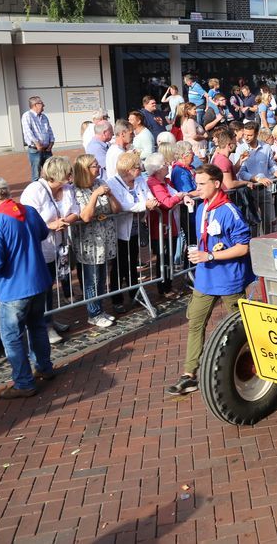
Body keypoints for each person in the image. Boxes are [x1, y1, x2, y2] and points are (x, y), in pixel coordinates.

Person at [166, 163, 254, 396]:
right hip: (206, 277)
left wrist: (211, 255)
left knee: (241, 326)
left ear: (216, 184)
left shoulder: (230, 211)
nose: (198, 188)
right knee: (195, 321)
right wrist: (200, 255)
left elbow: (243, 248)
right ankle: (189, 375)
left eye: (202, 184)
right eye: (196, 183)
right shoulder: (202, 206)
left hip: (228, 278)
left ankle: (253, 362)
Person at [0, 174, 56, 399]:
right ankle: (44, 367)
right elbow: (43, 233)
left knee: (12, 337)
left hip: (14, 288)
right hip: (39, 280)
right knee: (37, 326)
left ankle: (23, 382)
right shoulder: (28, 211)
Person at [19, 156, 80, 344]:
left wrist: (65, 221)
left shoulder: (67, 189)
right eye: (68, 172)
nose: (71, 176)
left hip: (59, 246)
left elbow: (76, 210)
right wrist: (50, 225)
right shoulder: (35, 190)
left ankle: (49, 320)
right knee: (41, 289)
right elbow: (28, 219)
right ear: (58, 174)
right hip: (39, 248)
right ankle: (43, 326)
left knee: (50, 285)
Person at [107, 152, 159, 314]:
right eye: (137, 167)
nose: (140, 169)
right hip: (120, 230)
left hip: (136, 228)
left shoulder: (140, 180)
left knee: (132, 262)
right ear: (128, 169)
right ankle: (117, 299)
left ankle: (134, 293)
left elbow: (148, 196)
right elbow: (122, 205)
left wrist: (150, 202)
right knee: (118, 265)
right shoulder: (112, 183)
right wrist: (144, 205)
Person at [72, 154, 120, 328]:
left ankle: (99, 309)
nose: (98, 168)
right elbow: (85, 216)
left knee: (101, 277)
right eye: (94, 165)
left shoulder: (100, 183)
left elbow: (116, 209)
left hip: (105, 239)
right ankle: (93, 313)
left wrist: (111, 195)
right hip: (89, 242)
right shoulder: (76, 190)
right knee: (91, 279)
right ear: (85, 169)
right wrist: (94, 196)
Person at [145, 152, 186, 300]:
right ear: (157, 169)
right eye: (164, 164)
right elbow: (166, 203)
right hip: (161, 227)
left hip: (170, 224)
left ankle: (168, 285)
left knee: (169, 257)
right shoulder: (153, 183)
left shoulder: (166, 181)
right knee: (164, 259)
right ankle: (164, 288)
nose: (168, 166)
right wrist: (179, 197)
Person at [21, 96, 55, 181]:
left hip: (47, 150)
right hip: (35, 150)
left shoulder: (44, 117)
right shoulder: (27, 116)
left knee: (51, 172)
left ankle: (49, 188)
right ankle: (36, 188)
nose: (44, 105)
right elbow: (28, 132)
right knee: (36, 174)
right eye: (41, 103)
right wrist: (37, 144)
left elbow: (49, 130)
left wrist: (51, 143)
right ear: (35, 105)